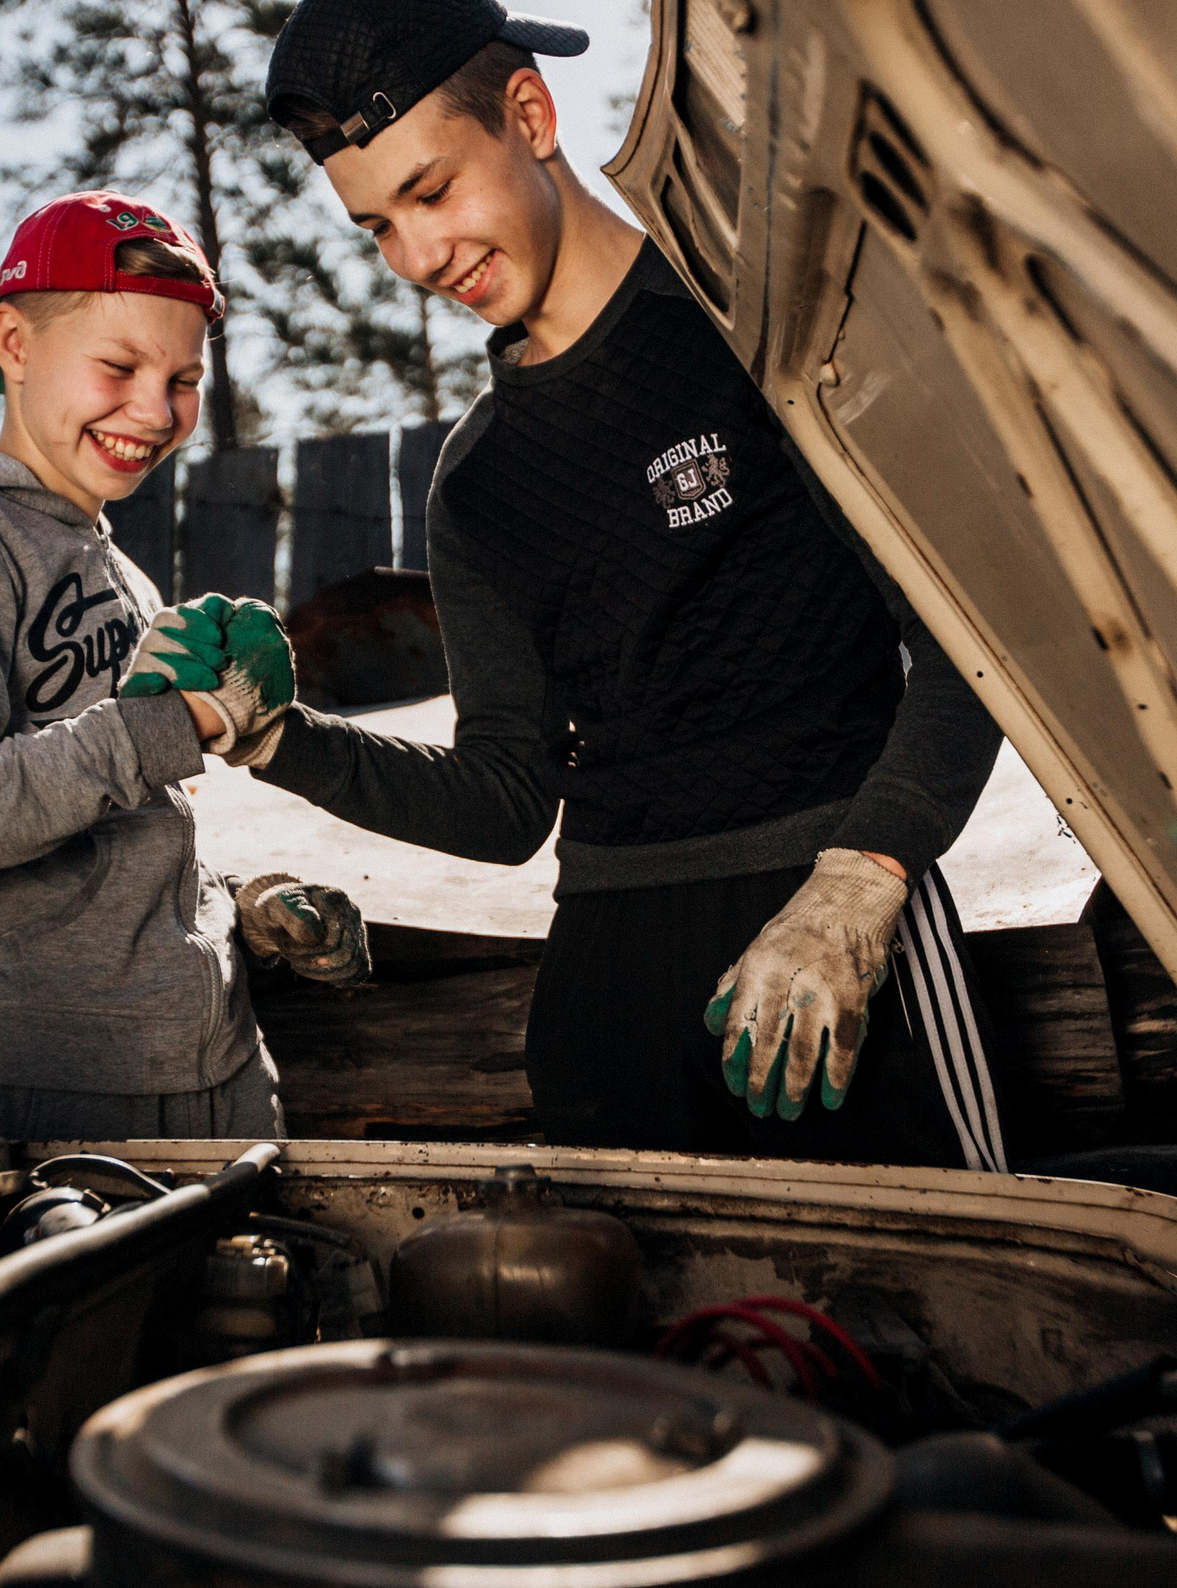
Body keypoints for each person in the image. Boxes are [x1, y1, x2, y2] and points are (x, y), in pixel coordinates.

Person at [179, 1, 1012, 1168]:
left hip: (827, 957)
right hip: (606, 998)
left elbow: (972, 644)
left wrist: (861, 883)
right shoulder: (475, 483)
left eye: (431, 193)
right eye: (376, 229)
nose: (417, 260)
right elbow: (509, 799)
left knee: (949, 1328)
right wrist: (282, 742)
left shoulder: (756, 334)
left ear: (529, 113)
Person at [0, 190, 367, 1147]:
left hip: (221, 1073)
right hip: (46, 1101)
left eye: (184, 379)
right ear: (15, 345)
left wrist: (239, 904)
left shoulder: (122, 570)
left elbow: (114, 826)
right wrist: (180, 724)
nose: (156, 411)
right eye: (118, 365)